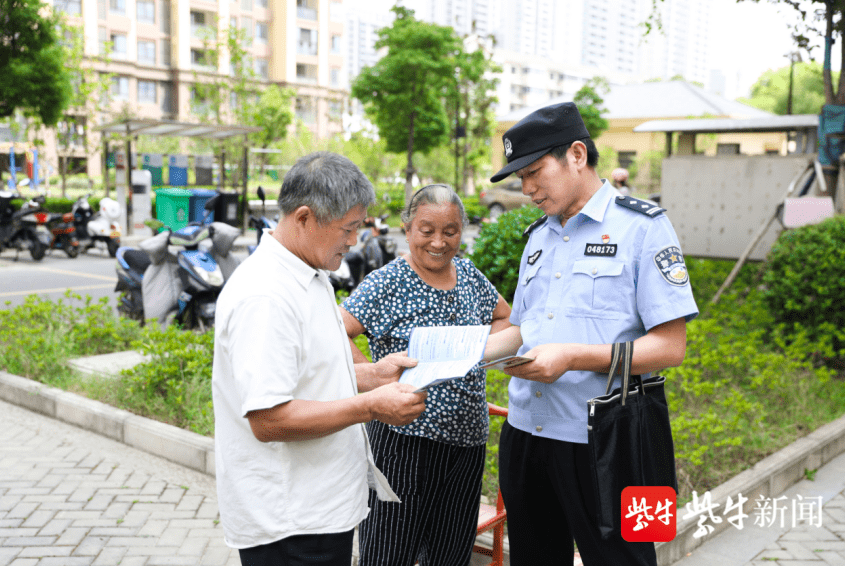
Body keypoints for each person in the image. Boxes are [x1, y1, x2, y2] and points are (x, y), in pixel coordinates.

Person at [484, 102, 699, 566]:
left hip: (609, 440)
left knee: (624, 559)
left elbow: (670, 346)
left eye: (534, 171)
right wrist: (460, 355)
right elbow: (522, 328)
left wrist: (574, 357)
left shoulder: (644, 228)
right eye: (519, 178)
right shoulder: (538, 236)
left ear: (577, 155)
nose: (527, 188)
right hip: (526, 434)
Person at [211, 152, 428, 566]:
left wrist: (372, 375)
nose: (353, 241)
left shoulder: (307, 273)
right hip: (291, 523)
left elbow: (312, 372)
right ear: (305, 218)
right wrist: (370, 407)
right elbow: (269, 419)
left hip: (318, 510)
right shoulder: (266, 296)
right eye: (348, 228)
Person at [340, 184, 512, 566]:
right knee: (389, 553)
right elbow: (333, 331)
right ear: (407, 228)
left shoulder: (469, 276)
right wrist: (374, 377)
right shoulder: (388, 282)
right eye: (427, 230)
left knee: (450, 555)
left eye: (450, 231)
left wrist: (477, 352)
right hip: (402, 442)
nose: (439, 241)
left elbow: (505, 317)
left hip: (466, 444)